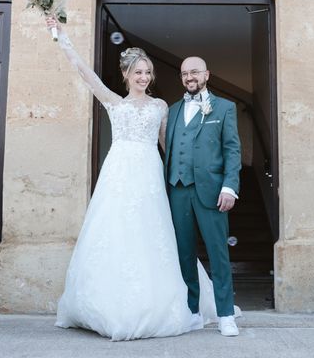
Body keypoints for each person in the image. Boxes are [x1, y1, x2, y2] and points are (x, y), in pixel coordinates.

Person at [49, 19, 218, 341]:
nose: (143, 77)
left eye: (147, 72)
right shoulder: (113, 102)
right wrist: (62, 38)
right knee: (114, 230)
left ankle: (159, 300)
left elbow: (170, 146)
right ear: (126, 75)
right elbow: (86, 74)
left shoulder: (160, 106)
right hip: (118, 172)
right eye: (138, 72)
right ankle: (106, 304)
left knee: (152, 229)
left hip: (149, 173)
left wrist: (191, 175)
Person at [164, 57, 242, 337]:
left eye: (194, 72)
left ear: (207, 74)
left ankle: (225, 314)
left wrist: (229, 187)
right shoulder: (172, 111)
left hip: (212, 191)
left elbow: (233, 150)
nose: (189, 77)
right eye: (184, 73)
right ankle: (193, 312)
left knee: (218, 253)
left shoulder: (224, 108)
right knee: (184, 254)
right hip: (178, 189)